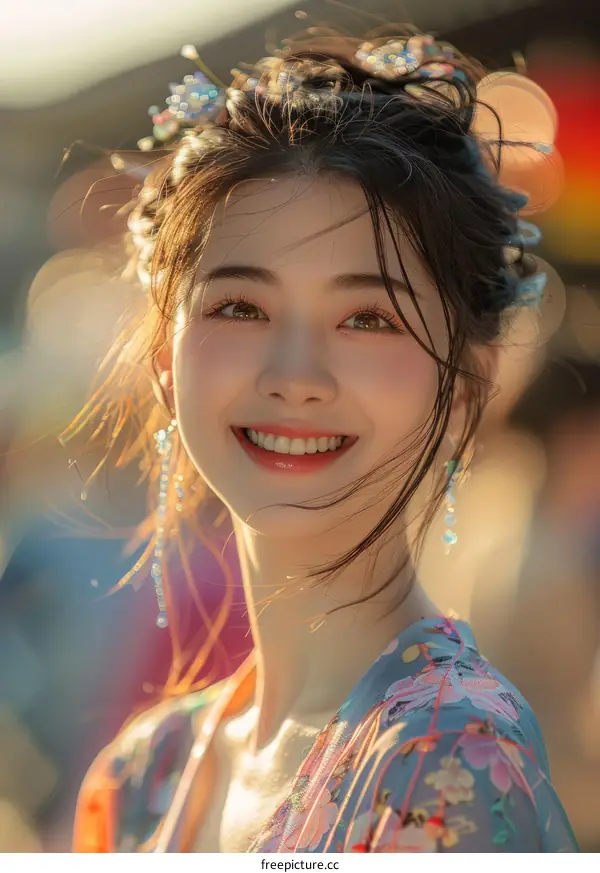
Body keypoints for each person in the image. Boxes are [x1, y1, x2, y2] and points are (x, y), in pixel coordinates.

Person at [71, 28, 578, 852]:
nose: (296, 373)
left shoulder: (449, 761)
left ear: (466, 385)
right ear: (167, 359)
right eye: (240, 306)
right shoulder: (140, 776)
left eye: (367, 317)